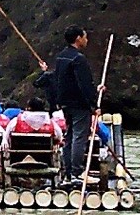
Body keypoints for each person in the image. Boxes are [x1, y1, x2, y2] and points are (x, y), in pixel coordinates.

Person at [41, 27, 98, 184]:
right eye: (85, 37)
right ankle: (77, 173)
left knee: (70, 136)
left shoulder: (61, 57)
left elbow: (58, 80)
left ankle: (67, 174)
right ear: (78, 38)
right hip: (79, 104)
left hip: (65, 104)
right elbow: (84, 84)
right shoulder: (78, 59)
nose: (87, 40)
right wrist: (94, 104)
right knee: (80, 136)